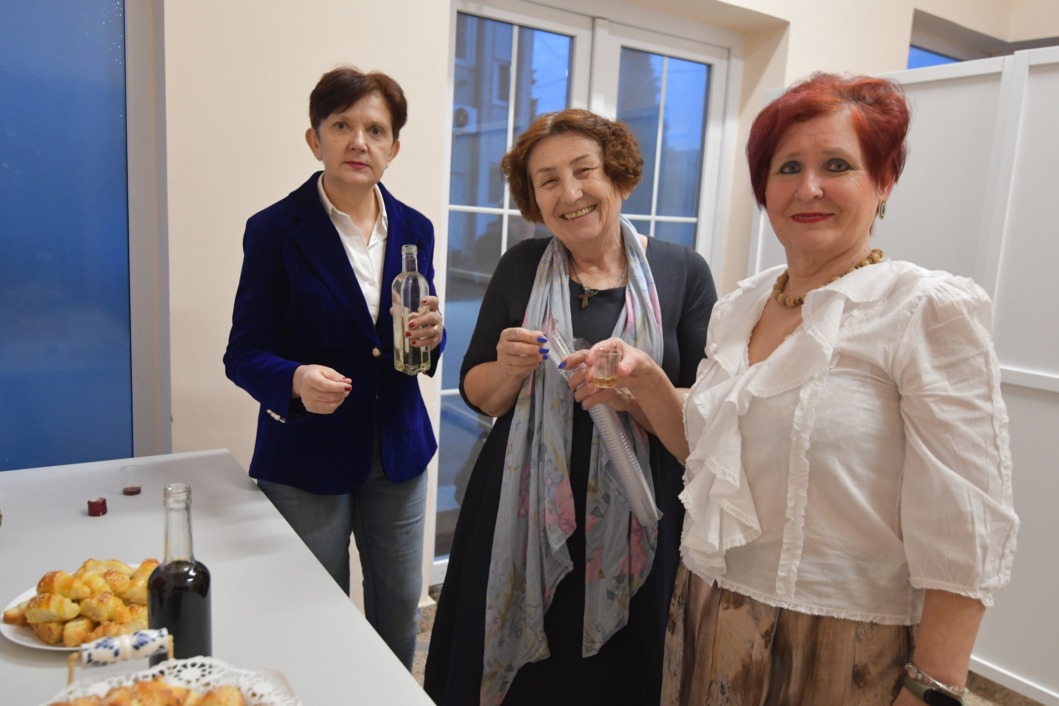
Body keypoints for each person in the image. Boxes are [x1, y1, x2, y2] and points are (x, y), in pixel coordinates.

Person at [579, 73, 1019, 705]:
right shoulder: (743, 306)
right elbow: (708, 447)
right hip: (704, 615)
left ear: (883, 180)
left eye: (836, 165)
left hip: (839, 648)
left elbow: (965, 525)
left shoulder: (921, 310)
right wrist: (646, 381)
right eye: (787, 167)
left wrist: (932, 689)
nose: (808, 187)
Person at [424, 109, 718, 706]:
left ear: (619, 177)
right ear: (534, 199)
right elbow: (479, 394)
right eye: (549, 180)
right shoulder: (520, 266)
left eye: (585, 171)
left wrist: (638, 390)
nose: (571, 192)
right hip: (520, 509)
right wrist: (508, 369)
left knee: (620, 676)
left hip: (641, 509)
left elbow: (707, 418)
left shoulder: (682, 271)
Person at [223, 66, 444, 671]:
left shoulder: (415, 228)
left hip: (398, 451)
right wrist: (294, 380)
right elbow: (243, 352)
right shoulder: (273, 229)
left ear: (394, 147)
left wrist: (432, 335)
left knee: (398, 612)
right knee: (313, 615)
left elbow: (412, 339)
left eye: (376, 130)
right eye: (342, 126)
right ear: (314, 139)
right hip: (306, 456)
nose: (359, 142)